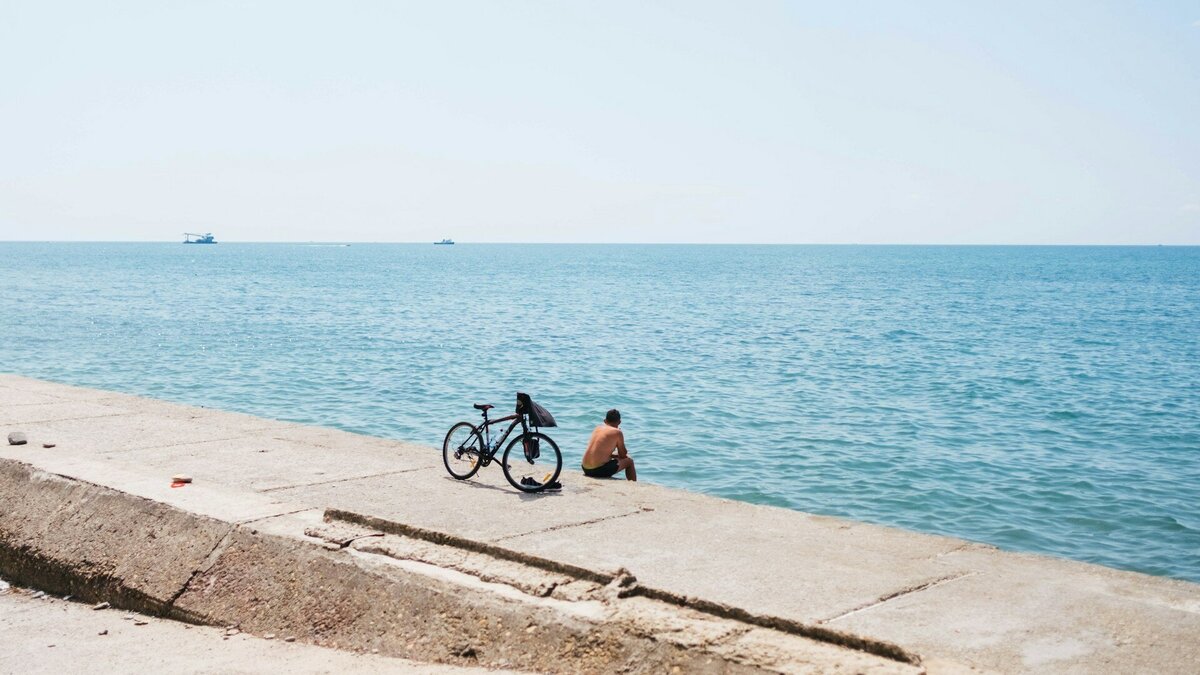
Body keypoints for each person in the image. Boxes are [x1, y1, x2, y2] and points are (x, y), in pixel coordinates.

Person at [582, 409, 636, 481]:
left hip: (585, 468)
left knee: (614, 456)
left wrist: (615, 455)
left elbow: (601, 452)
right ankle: (633, 486)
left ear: (605, 421)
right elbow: (623, 455)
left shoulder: (597, 428)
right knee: (629, 461)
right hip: (597, 471)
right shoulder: (617, 432)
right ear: (619, 422)